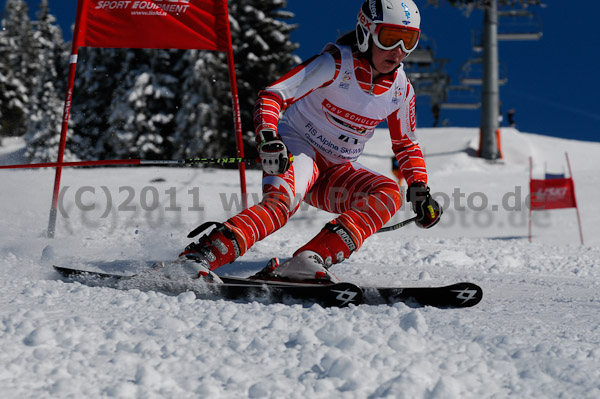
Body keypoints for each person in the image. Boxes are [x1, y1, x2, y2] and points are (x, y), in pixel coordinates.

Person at [179, 0, 442, 283]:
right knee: (281, 205)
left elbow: (406, 145)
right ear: (366, 32)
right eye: (389, 38)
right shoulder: (336, 63)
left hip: (336, 172)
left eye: (409, 40)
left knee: (388, 193)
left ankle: (308, 260)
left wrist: (419, 190)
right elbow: (273, 95)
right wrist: (268, 138)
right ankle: (201, 256)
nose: (399, 50)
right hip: (298, 148)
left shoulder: (401, 90)